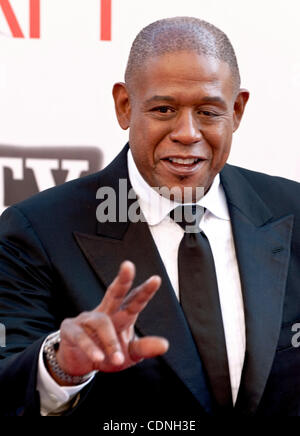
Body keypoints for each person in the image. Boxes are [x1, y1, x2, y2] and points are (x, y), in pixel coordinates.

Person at [0, 16, 299, 418]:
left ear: (238, 110)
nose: (188, 132)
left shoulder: (292, 210)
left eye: (209, 112)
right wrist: (59, 366)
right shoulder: (35, 231)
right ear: (125, 106)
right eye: (164, 109)